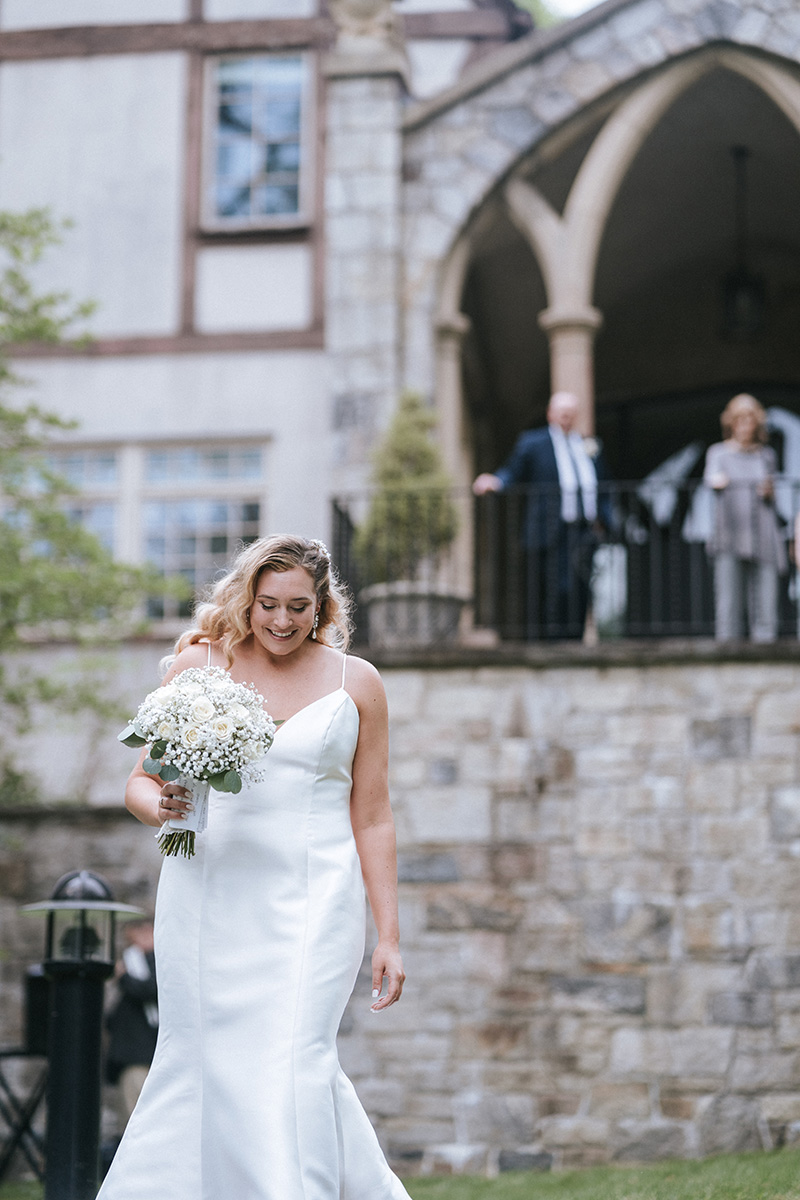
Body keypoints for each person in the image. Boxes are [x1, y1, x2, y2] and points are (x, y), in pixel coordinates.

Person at [97, 535, 409, 1200]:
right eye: (269, 604)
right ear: (247, 598)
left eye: (299, 606)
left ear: (322, 605)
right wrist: (165, 808)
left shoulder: (359, 682)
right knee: (204, 1058)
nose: (282, 621)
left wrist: (389, 935)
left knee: (296, 1056)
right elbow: (137, 783)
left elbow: (374, 814)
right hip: (208, 896)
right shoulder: (198, 666)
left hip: (314, 900)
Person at [473, 391, 608, 639]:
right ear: (550, 414)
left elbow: (602, 486)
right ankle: (549, 642)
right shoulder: (533, 443)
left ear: (576, 416)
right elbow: (514, 471)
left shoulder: (588, 445)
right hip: (550, 531)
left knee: (580, 589)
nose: (566, 417)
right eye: (561, 412)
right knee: (552, 589)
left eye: (570, 413)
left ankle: (574, 640)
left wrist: (604, 521)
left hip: (584, 532)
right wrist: (496, 481)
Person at [704, 393, 787, 642]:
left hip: (762, 531)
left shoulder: (766, 455)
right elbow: (712, 479)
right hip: (730, 531)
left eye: (750, 420)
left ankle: (765, 647)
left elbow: (774, 495)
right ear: (731, 423)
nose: (745, 426)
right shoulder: (718, 453)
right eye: (740, 420)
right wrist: (719, 483)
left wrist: (770, 491)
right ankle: (727, 649)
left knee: (766, 597)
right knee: (728, 598)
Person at [105, 919, 158, 1122]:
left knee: (139, 1116)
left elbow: (149, 990)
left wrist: (124, 976)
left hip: (142, 1056)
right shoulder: (138, 961)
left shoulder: (156, 961)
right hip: (133, 1057)